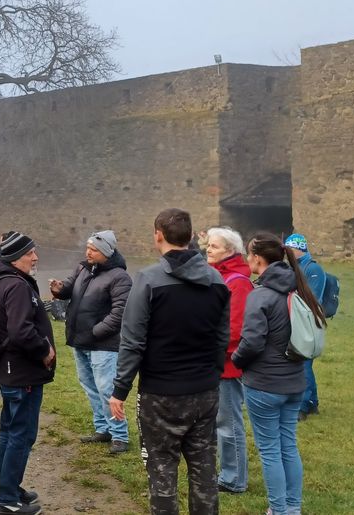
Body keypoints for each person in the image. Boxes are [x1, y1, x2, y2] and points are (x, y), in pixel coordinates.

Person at [110, 208, 230, 515]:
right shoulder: (217, 280)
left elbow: (132, 340)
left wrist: (120, 389)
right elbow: (221, 337)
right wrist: (213, 373)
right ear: (191, 237)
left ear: (158, 235)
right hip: (204, 390)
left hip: (161, 394)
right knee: (204, 468)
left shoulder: (148, 280)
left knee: (162, 468)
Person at [232, 233, 327, 515]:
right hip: (295, 382)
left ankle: (278, 509)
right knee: (288, 446)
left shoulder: (260, 295)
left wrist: (236, 360)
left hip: (264, 385)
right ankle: (292, 508)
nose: (247, 260)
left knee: (271, 451)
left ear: (257, 259)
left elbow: (251, 342)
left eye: (249, 255)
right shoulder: (299, 289)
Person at [0, 231, 55, 515]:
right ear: (16, 258)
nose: (35, 257)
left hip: (9, 370)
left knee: (9, 431)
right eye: (30, 253)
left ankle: (10, 488)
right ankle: (6, 501)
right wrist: (44, 350)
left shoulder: (2, 280)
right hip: (22, 373)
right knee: (21, 435)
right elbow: (20, 331)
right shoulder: (16, 286)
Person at [49, 230, 132, 454]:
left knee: (107, 390)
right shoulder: (83, 268)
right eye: (88, 247)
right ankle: (103, 428)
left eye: (94, 249)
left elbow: (120, 313)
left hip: (103, 344)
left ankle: (120, 435)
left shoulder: (119, 277)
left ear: (106, 252)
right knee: (90, 388)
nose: (88, 252)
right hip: (80, 341)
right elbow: (69, 288)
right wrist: (59, 289)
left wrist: (96, 331)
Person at [205, 226, 255, 494]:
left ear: (230, 251)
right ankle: (224, 471)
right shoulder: (216, 277)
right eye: (208, 245)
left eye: (213, 246)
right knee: (215, 422)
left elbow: (235, 330)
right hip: (211, 363)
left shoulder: (237, 281)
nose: (208, 249)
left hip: (227, 366)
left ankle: (234, 479)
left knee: (228, 423)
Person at [283, 233, 328, 420]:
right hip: (298, 321)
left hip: (308, 323)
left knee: (303, 364)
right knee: (303, 363)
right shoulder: (295, 268)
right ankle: (312, 403)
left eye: (289, 250)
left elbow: (313, 299)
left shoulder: (313, 269)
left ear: (297, 249)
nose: (286, 255)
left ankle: (302, 406)